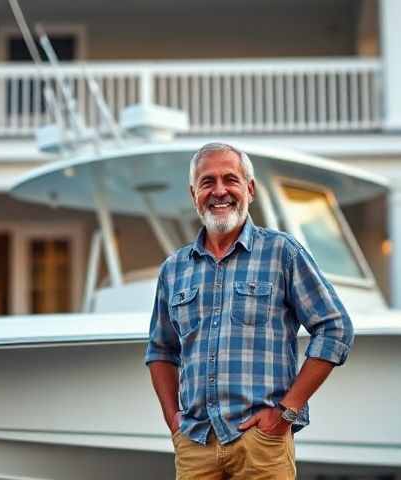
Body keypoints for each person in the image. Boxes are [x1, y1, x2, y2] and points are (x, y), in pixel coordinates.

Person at [145, 142, 354, 480]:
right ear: (193, 193)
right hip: (195, 444)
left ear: (250, 189)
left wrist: (286, 412)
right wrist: (174, 422)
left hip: (262, 445)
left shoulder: (282, 253)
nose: (220, 191)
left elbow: (335, 327)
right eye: (207, 182)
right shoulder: (174, 268)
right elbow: (160, 349)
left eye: (230, 179)